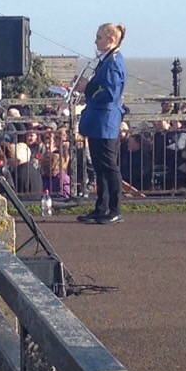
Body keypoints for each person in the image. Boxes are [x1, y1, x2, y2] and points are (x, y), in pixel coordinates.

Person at [74, 22, 127, 224]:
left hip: (105, 120)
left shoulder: (113, 62)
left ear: (111, 40)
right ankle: (101, 207)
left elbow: (110, 93)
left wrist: (87, 88)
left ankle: (115, 209)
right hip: (98, 119)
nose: (95, 41)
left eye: (99, 37)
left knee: (108, 165)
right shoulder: (106, 60)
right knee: (99, 166)